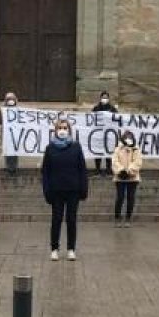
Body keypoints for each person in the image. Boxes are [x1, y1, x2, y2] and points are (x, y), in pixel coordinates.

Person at [42, 119, 88, 261]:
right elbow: (45, 171)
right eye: (60, 128)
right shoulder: (50, 148)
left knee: (71, 220)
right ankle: (54, 248)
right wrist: (47, 190)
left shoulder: (76, 147)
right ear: (55, 130)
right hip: (56, 190)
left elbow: (82, 169)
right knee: (56, 219)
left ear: (69, 130)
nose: (62, 130)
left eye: (65, 128)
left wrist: (83, 189)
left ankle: (71, 249)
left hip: (73, 189)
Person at [111, 130, 143, 227]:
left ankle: (128, 218)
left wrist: (129, 170)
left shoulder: (136, 149)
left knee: (130, 198)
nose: (128, 139)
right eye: (126, 137)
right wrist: (121, 170)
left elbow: (138, 162)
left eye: (130, 137)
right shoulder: (118, 149)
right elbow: (114, 161)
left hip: (132, 177)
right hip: (120, 177)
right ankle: (117, 217)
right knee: (120, 197)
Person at [91, 92, 117, 176]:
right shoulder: (96, 108)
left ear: (108, 99)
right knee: (98, 152)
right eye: (103, 97)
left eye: (106, 97)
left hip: (109, 134)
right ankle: (97, 169)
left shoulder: (112, 109)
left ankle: (108, 169)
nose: (104, 99)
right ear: (100, 98)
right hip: (98, 133)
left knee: (108, 152)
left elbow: (116, 119)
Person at [0, 92, 20, 176]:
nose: (10, 101)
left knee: (15, 150)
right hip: (6, 133)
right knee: (7, 150)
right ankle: (8, 166)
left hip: (15, 133)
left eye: (12, 99)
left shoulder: (19, 110)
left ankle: (14, 167)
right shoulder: (2, 110)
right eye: (8, 99)